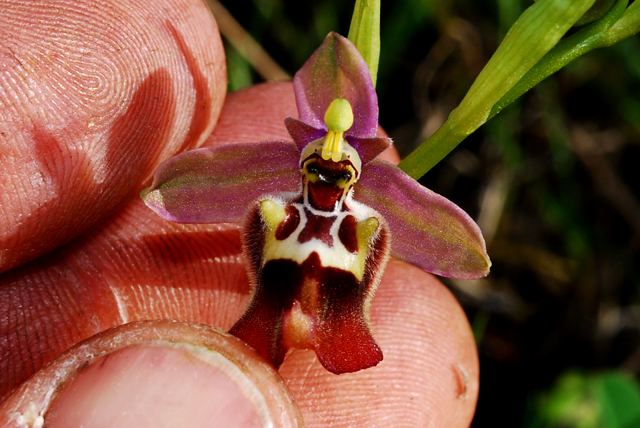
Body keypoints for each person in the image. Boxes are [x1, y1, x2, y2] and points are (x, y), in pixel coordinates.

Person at [0, 0, 479, 426]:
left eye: (337, 172)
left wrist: (457, 248)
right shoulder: (282, 171)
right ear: (307, 158)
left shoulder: (378, 189)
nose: (328, 174)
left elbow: (450, 241)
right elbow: (180, 188)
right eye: (318, 169)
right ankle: (278, 319)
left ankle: (323, 324)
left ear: (356, 170)